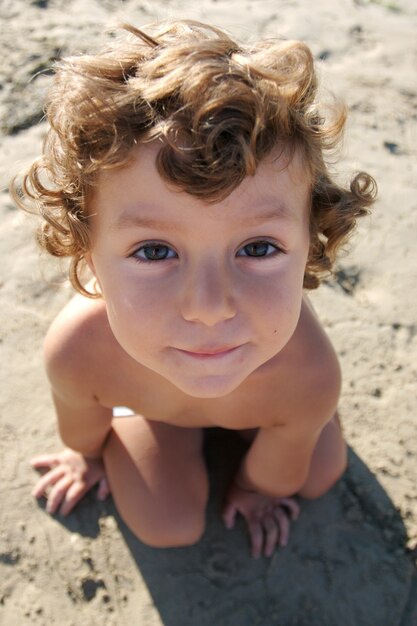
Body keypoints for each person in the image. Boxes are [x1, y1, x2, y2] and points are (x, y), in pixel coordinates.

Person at [12, 20, 376, 559]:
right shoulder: (80, 351)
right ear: (89, 256)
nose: (209, 308)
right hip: (150, 409)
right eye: (155, 251)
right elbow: (79, 424)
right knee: (166, 524)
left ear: (311, 243)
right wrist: (85, 458)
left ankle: (276, 433)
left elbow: (277, 477)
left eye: (257, 249)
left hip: (275, 398)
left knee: (319, 474)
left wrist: (254, 490)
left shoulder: (309, 371)